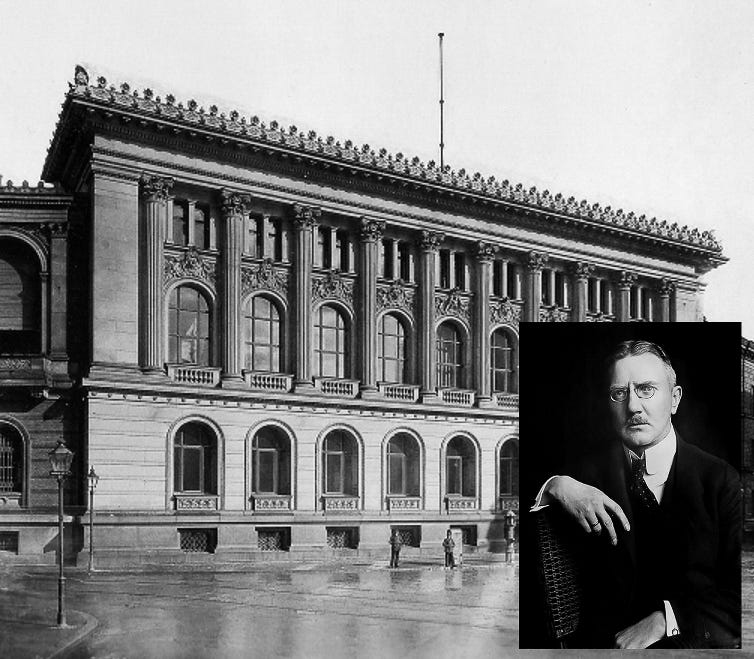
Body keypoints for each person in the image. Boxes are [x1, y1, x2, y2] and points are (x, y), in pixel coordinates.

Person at [533, 340, 740, 649]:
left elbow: (739, 593)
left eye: (646, 389)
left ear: (674, 399)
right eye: (619, 393)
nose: (632, 406)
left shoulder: (721, 480)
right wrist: (555, 484)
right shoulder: (584, 474)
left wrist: (666, 619)